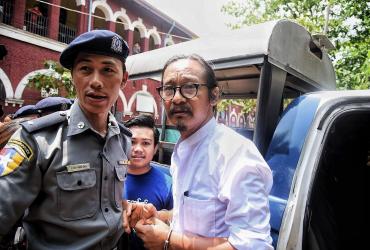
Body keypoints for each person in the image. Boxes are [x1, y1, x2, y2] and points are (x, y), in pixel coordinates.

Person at [0, 30, 133, 249]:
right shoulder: (38, 140)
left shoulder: (124, 140)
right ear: (73, 76)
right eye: (85, 69)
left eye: (108, 70)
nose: (96, 81)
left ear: (124, 79)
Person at [134, 54, 274, 249]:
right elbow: (197, 214)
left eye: (190, 87)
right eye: (168, 89)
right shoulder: (183, 149)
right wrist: (161, 216)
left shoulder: (235, 154)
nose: (176, 98)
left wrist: (168, 240)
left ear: (214, 96)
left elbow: (253, 245)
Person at [123, 114, 173, 249]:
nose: (138, 149)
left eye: (145, 143)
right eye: (132, 142)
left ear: (155, 148)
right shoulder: (107, 177)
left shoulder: (168, 185)